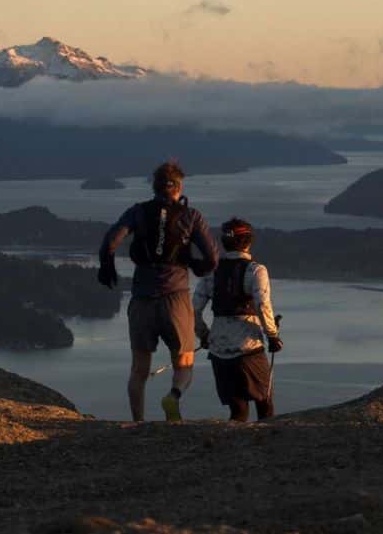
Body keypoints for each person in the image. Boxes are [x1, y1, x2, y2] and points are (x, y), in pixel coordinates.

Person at [98, 161, 218, 422]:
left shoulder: (138, 212)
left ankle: (138, 422)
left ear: (154, 186)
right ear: (179, 187)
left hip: (142, 299)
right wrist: (195, 265)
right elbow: (212, 259)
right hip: (175, 298)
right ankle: (173, 397)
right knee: (184, 363)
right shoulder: (191, 216)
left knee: (139, 369)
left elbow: (111, 240)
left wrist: (106, 266)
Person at [193, 217, 283, 422]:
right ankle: (266, 449)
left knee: (237, 410)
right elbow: (262, 305)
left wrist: (205, 335)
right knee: (265, 403)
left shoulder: (212, 273)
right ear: (249, 241)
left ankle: (234, 450)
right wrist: (273, 335)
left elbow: (194, 310)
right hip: (248, 348)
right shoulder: (256, 270)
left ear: (224, 242)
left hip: (219, 350)